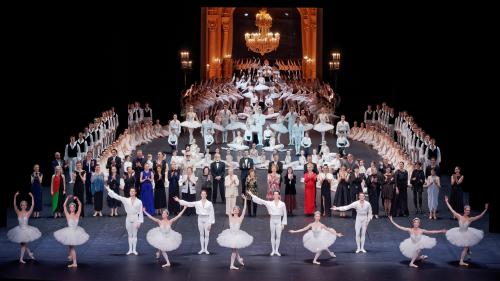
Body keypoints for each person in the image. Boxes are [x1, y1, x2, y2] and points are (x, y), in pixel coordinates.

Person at [444, 196, 488, 266]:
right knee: (466, 245)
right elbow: (452, 210)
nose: (468, 212)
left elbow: (479, 216)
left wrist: (485, 209)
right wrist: (446, 202)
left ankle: (461, 261)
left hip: (467, 233)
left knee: (466, 245)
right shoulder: (459, 216)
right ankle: (468, 252)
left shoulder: (470, 219)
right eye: (467, 210)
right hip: (459, 233)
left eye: (469, 210)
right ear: (464, 210)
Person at [217, 196, 254, 270]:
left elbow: (244, 209)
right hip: (230, 235)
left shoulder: (240, 218)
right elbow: (230, 207)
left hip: (237, 235)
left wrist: (245, 199)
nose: (235, 210)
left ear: (238, 211)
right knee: (234, 249)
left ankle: (238, 260)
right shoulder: (230, 216)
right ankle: (233, 264)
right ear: (233, 211)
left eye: (237, 210)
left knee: (234, 249)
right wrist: (231, 197)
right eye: (234, 209)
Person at [105, 185, 144, 255]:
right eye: (130, 191)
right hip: (128, 218)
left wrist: (140, 222)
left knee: (134, 235)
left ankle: (134, 250)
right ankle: (130, 249)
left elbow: (141, 212)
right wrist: (109, 189)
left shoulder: (139, 201)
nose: (131, 192)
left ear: (135, 192)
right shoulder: (126, 200)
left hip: (135, 218)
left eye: (133, 191)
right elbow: (116, 196)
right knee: (129, 235)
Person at [247, 190, 287, 256]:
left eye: (277, 194)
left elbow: (285, 214)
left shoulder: (282, 204)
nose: (276, 195)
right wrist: (251, 194)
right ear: (273, 195)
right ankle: (273, 250)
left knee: (278, 236)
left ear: (279, 195)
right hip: (272, 220)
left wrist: (283, 224)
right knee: (272, 235)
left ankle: (277, 250)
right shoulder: (270, 203)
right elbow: (260, 200)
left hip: (279, 220)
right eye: (275, 194)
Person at [174, 190, 215, 254]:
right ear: (201, 195)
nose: (203, 195)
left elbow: (212, 213)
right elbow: (188, 203)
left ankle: (206, 249)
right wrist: (179, 200)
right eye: (202, 194)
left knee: (207, 234)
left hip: (207, 219)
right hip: (200, 219)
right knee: (201, 234)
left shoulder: (209, 203)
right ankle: (202, 249)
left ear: (206, 195)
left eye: (204, 194)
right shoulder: (197, 203)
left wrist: (210, 223)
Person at [53, 196, 89, 267]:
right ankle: (70, 256)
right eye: (71, 207)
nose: (72, 208)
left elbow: (80, 205)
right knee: (69, 244)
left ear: (75, 208)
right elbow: (64, 205)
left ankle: (74, 263)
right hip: (69, 231)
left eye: (73, 207)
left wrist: (77, 199)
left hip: (75, 232)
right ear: (69, 209)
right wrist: (67, 199)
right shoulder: (67, 215)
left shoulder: (77, 214)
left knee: (72, 247)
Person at [7, 192, 41, 263]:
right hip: (19, 229)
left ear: (26, 206)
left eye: (25, 205)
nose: (23, 206)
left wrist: (32, 197)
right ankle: (29, 254)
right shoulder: (18, 212)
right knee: (23, 244)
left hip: (26, 230)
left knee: (23, 244)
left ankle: (22, 258)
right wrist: (15, 196)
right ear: (21, 206)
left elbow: (33, 205)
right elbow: (14, 205)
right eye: (22, 205)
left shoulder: (28, 213)